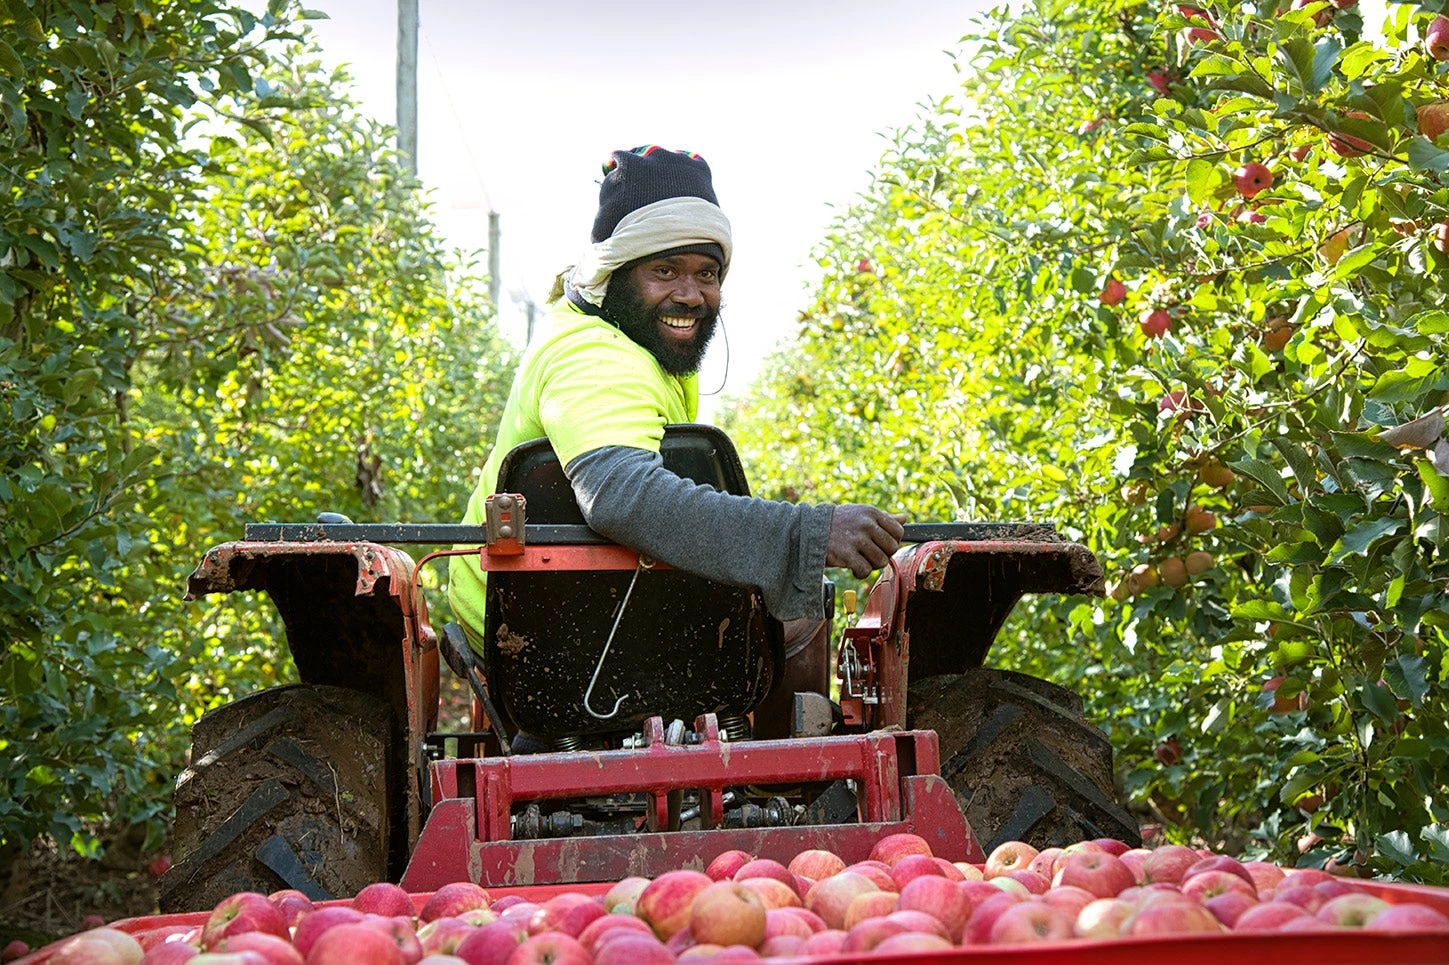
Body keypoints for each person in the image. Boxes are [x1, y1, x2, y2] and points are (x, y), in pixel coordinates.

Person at [447, 145, 905, 733]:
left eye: (706, 273)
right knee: (805, 608)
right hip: (531, 634)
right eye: (665, 270)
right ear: (614, 275)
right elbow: (620, 496)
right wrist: (806, 534)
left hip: (599, 613)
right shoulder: (594, 354)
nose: (690, 294)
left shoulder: (648, 355)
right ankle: (788, 780)